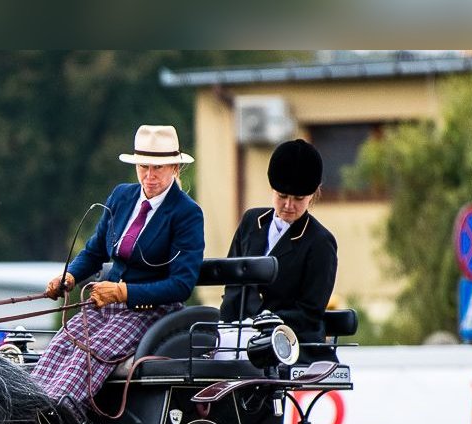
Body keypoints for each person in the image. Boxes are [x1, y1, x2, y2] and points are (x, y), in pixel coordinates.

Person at [31, 124, 205, 406]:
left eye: (157, 168)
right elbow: (95, 249)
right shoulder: (122, 197)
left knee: (89, 354)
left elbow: (181, 284)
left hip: (150, 311)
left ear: (174, 167)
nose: (149, 176)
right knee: (60, 347)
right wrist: (71, 276)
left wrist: (124, 292)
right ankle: (32, 408)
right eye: (143, 167)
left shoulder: (187, 214)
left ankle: (60, 414)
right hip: (106, 305)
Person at [220, 138, 338, 360]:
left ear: (312, 195)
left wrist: (264, 323)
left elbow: (309, 311)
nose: (288, 205)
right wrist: (230, 325)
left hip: (289, 340)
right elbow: (233, 282)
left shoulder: (320, 242)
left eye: (298, 199)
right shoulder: (251, 222)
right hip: (240, 333)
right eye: (282, 196)